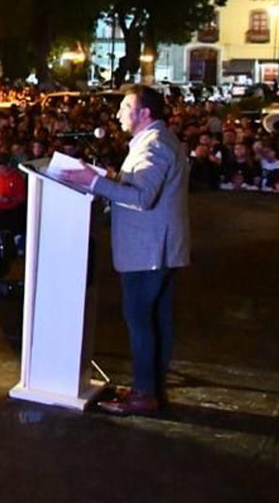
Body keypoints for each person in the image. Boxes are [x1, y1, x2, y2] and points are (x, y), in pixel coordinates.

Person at [61, 84, 190, 417]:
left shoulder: (156, 144)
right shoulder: (156, 141)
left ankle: (145, 393)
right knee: (155, 320)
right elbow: (140, 185)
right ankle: (150, 388)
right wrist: (109, 176)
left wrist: (92, 182)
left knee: (141, 321)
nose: (118, 113)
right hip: (156, 250)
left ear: (144, 113)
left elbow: (142, 197)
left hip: (150, 252)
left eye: (125, 106)